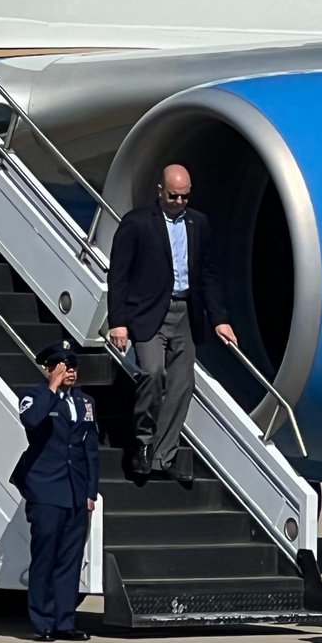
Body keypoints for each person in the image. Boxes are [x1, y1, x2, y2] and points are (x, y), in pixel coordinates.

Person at [107, 164, 235, 475]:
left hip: (185, 312)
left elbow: (208, 274)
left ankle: (163, 455)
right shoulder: (137, 223)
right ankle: (145, 439)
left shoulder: (198, 223)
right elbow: (119, 276)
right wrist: (118, 321)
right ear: (161, 190)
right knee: (152, 373)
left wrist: (219, 318)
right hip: (149, 312)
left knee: (182, 383)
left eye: (185, 197)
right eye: (174, 196)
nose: (179, 202)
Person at [12, 341, 100, 642]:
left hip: (75, 490)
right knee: (45, 556)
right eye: (63, 367)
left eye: (73, 366)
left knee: (70, 559)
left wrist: (91, 490)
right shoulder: (34, 396)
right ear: (49, 369)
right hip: (46, 488)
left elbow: (90, 449)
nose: (70, 372)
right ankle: (43, 621)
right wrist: (52, 387)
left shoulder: (85, 402)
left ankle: (65, 621)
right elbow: (31, 421)